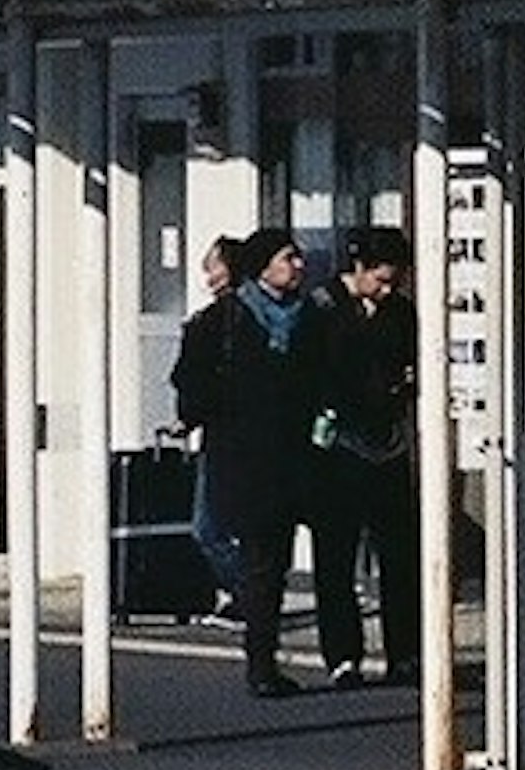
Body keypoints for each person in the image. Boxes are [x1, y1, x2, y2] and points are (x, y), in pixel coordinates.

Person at [185, 225, 337, 689]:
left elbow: (325, 376)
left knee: (275, 561)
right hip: (241, 457)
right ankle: (260, 662)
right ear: (263, 265)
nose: (298, 265)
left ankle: (267, 661)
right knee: (254, 557)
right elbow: (190, 383)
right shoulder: (223, 320)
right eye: (288, 257)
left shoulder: (311, 318)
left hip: (294, 459)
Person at [309, 232, 423, 689]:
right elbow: (311, 373)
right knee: (336, 557)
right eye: (381, 279)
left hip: (387, 442)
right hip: (339, 445)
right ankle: (342, 655)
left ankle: (406, 652)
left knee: (399, 555)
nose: (389, 289)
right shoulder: (323, 308)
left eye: (395, 281)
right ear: (359, 267)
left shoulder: (400, 312)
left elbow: (412, 360)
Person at [164, 234, 246, 603]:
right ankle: (252, 592)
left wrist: (189, 417)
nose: (206, 274)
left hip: (224, 436)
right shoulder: (254, 315)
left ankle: (249, 593)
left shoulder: (211, 321)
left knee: (208, 527)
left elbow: (191, 377)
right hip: (253, 433)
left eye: (212, 265)